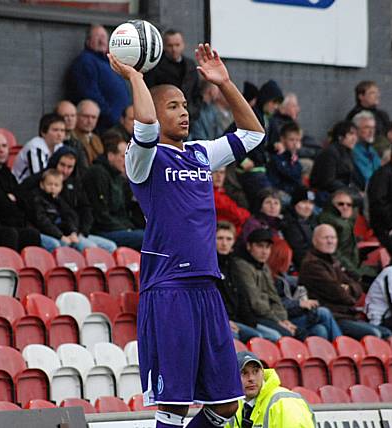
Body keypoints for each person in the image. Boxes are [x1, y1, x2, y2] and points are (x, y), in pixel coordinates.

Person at [109, 41, 266, 427]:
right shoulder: (142, 157)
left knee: (228, 403)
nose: (184, 112)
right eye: (173, 106)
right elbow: (144, 125)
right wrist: (134, 77)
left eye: (185, 105)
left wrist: (225, 83)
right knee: (174, 405)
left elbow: (252, 133)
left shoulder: (199, 152)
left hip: (207, 287)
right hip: (169, 289)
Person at [299, 225, 391, 340]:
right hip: (334, 317)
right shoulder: (312, 264)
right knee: (375, 334)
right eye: (326, 238)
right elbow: (337, 293)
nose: (330, 241)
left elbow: (356, 284)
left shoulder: (332, 261)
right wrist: (348, 293)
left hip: (347, 315)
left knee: (386, 333)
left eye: (333, 238)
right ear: (314, 241)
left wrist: (349, 289)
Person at [231, 229, 302, 340]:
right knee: (286, 336)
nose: (264, 252)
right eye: (260, 246)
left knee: (303, 332)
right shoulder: (241, 266)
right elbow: (255, 302)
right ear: (249, 246)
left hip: (269, 316)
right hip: (254, 317)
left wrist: (283, 319)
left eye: (268, 247)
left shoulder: (264, 266)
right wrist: (278, 321)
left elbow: (274, 296)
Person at [84, 133, 144, 250]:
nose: (127, 161)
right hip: (101, 230)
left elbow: (123, 212)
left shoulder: (118, 177)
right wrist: (126, 229)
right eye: (123, 157)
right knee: (146, 238)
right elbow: (100, 214)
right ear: (111, 156)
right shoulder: (98, 174)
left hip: (117, 227)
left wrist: (129, 227)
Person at [227, 351, 315, 428]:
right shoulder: (235, 407)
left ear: (263, 373)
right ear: (233, 378)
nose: (251, 378)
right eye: (244, 373)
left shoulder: (285, 403)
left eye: (256, 371)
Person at [67, 24, 130, 131]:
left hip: (121, 124)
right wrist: (110, 115)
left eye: (104, 37)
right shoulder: (86, 62)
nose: (102, 41)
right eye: (97, 37)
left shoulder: (108, 62)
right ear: (88, 41)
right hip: (105, 126)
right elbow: (89, 93)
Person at [215, 222, 267, 343]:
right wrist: (225, 320)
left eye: (228, 239)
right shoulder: (209, 266)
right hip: (219, 321)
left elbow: (242, 296)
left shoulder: (234, 265)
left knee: (265, 336)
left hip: (237, 320)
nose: (224, 243)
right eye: (220, 238)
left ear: (233, 242)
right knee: (243, 338)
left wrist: (250, 322)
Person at [318, 189, 378, 284]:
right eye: (340, 204)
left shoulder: (345, 221)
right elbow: (335, 254)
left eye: (349, 204)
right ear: (332, 205)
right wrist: (356, 274)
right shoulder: (331, 223)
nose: (345, 207)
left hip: (350, 269)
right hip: (340, 273)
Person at [144, 29, 201, 124]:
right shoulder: (155, 66)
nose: (174, 49)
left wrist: (193, 112)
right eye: (170, 45)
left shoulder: (190, 65)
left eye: (177, 45)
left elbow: (196, 92)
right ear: (164, 46)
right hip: (165, 118)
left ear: (183, 45)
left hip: (189, 119)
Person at [31, 169, 88, 252]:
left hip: (61, 233)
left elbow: (69, 217)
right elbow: (43, 222)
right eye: (49, 184)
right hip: (43, 233)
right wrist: (61, 236)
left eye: (56, 185)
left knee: (87, 245)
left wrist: (73, 232)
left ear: (61, 187)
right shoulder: (36, 199)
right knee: (58, 245)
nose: (53, 187)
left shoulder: (60, 201)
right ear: (42, 185)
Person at [309, 120, 360, 206]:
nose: (355, 138)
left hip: (342, 191)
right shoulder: (330, 153)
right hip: (327, 194)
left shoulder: (348, 153)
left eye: (356, 135)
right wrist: (348, 190)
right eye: (351, 134)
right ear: (340, 137)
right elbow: (327, 181)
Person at [12, 113, 65, 183]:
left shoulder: (59, 146)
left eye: (62, 130)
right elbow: (39, 176)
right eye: (55, 130)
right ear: (43, 132)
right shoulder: (35, 147)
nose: (60, 134)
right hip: (22, 186)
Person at [281, 187, 316, 271]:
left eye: (311, 203)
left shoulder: (313, 221)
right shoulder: (289, 224)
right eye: (304, 202)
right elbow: (300, 252)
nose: (308, 207)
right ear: (294, 204)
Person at [267, 123, 304, 196]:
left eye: (297, 140)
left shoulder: (294, 157)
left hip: (292, 191)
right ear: (282, 139)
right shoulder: (277, 156)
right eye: (292, 140)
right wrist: (291, 154)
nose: (295, 143)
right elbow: (290, 174)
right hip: (279, 191)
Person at [213, 168, 250, 236]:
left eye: (222, 172)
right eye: (215, 172)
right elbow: (238, 215)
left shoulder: (223, 193)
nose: (219, 176)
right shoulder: (210, 195)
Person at [352, 110, 381, 191]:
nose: (371, 131)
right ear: (355, 129)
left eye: (373, 128)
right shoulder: (352, 150)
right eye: (367, 127)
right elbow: (366, 178)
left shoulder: (372, 150)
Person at [71, 99, 104, 167]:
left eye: (93, 117)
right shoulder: (72, 138)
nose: (90, 121)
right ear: (76, 116)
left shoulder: (96, 138)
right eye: (85, 116)